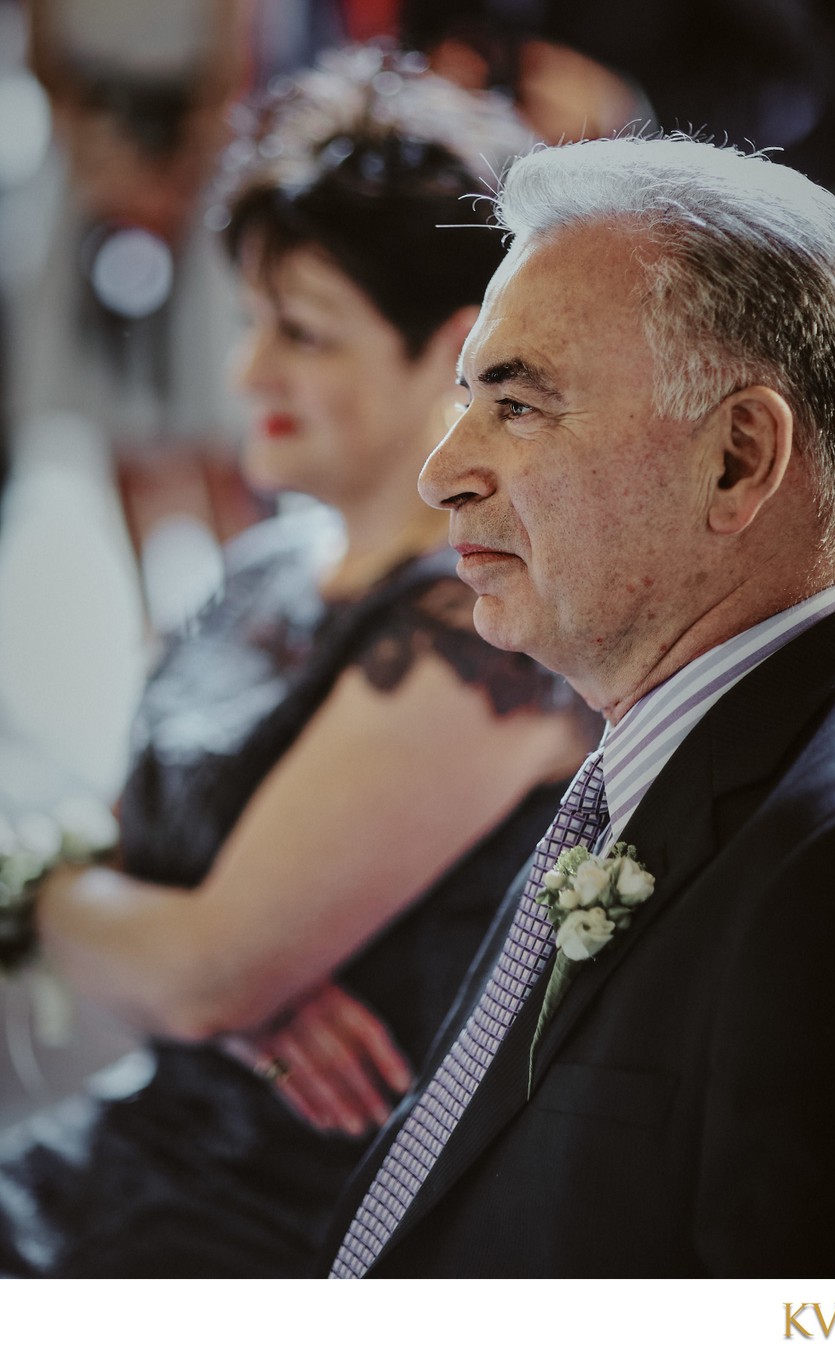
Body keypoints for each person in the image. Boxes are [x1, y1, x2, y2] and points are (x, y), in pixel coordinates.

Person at [0, 48, 599, 1277]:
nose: (246, 375)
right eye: (255, 322)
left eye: (304, 335)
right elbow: (159, 900)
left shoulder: (479, 630)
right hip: (134, 1140)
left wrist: (142, 947)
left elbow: (203, 963)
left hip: (277, 1224)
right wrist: (192, 974)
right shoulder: (269, 562)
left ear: (455, 349)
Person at [324, 132, 835, 1278]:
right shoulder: (651, 742)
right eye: (466, 400)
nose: (442, 470)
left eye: (518, 407)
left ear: (736, 459)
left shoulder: (830, 862)